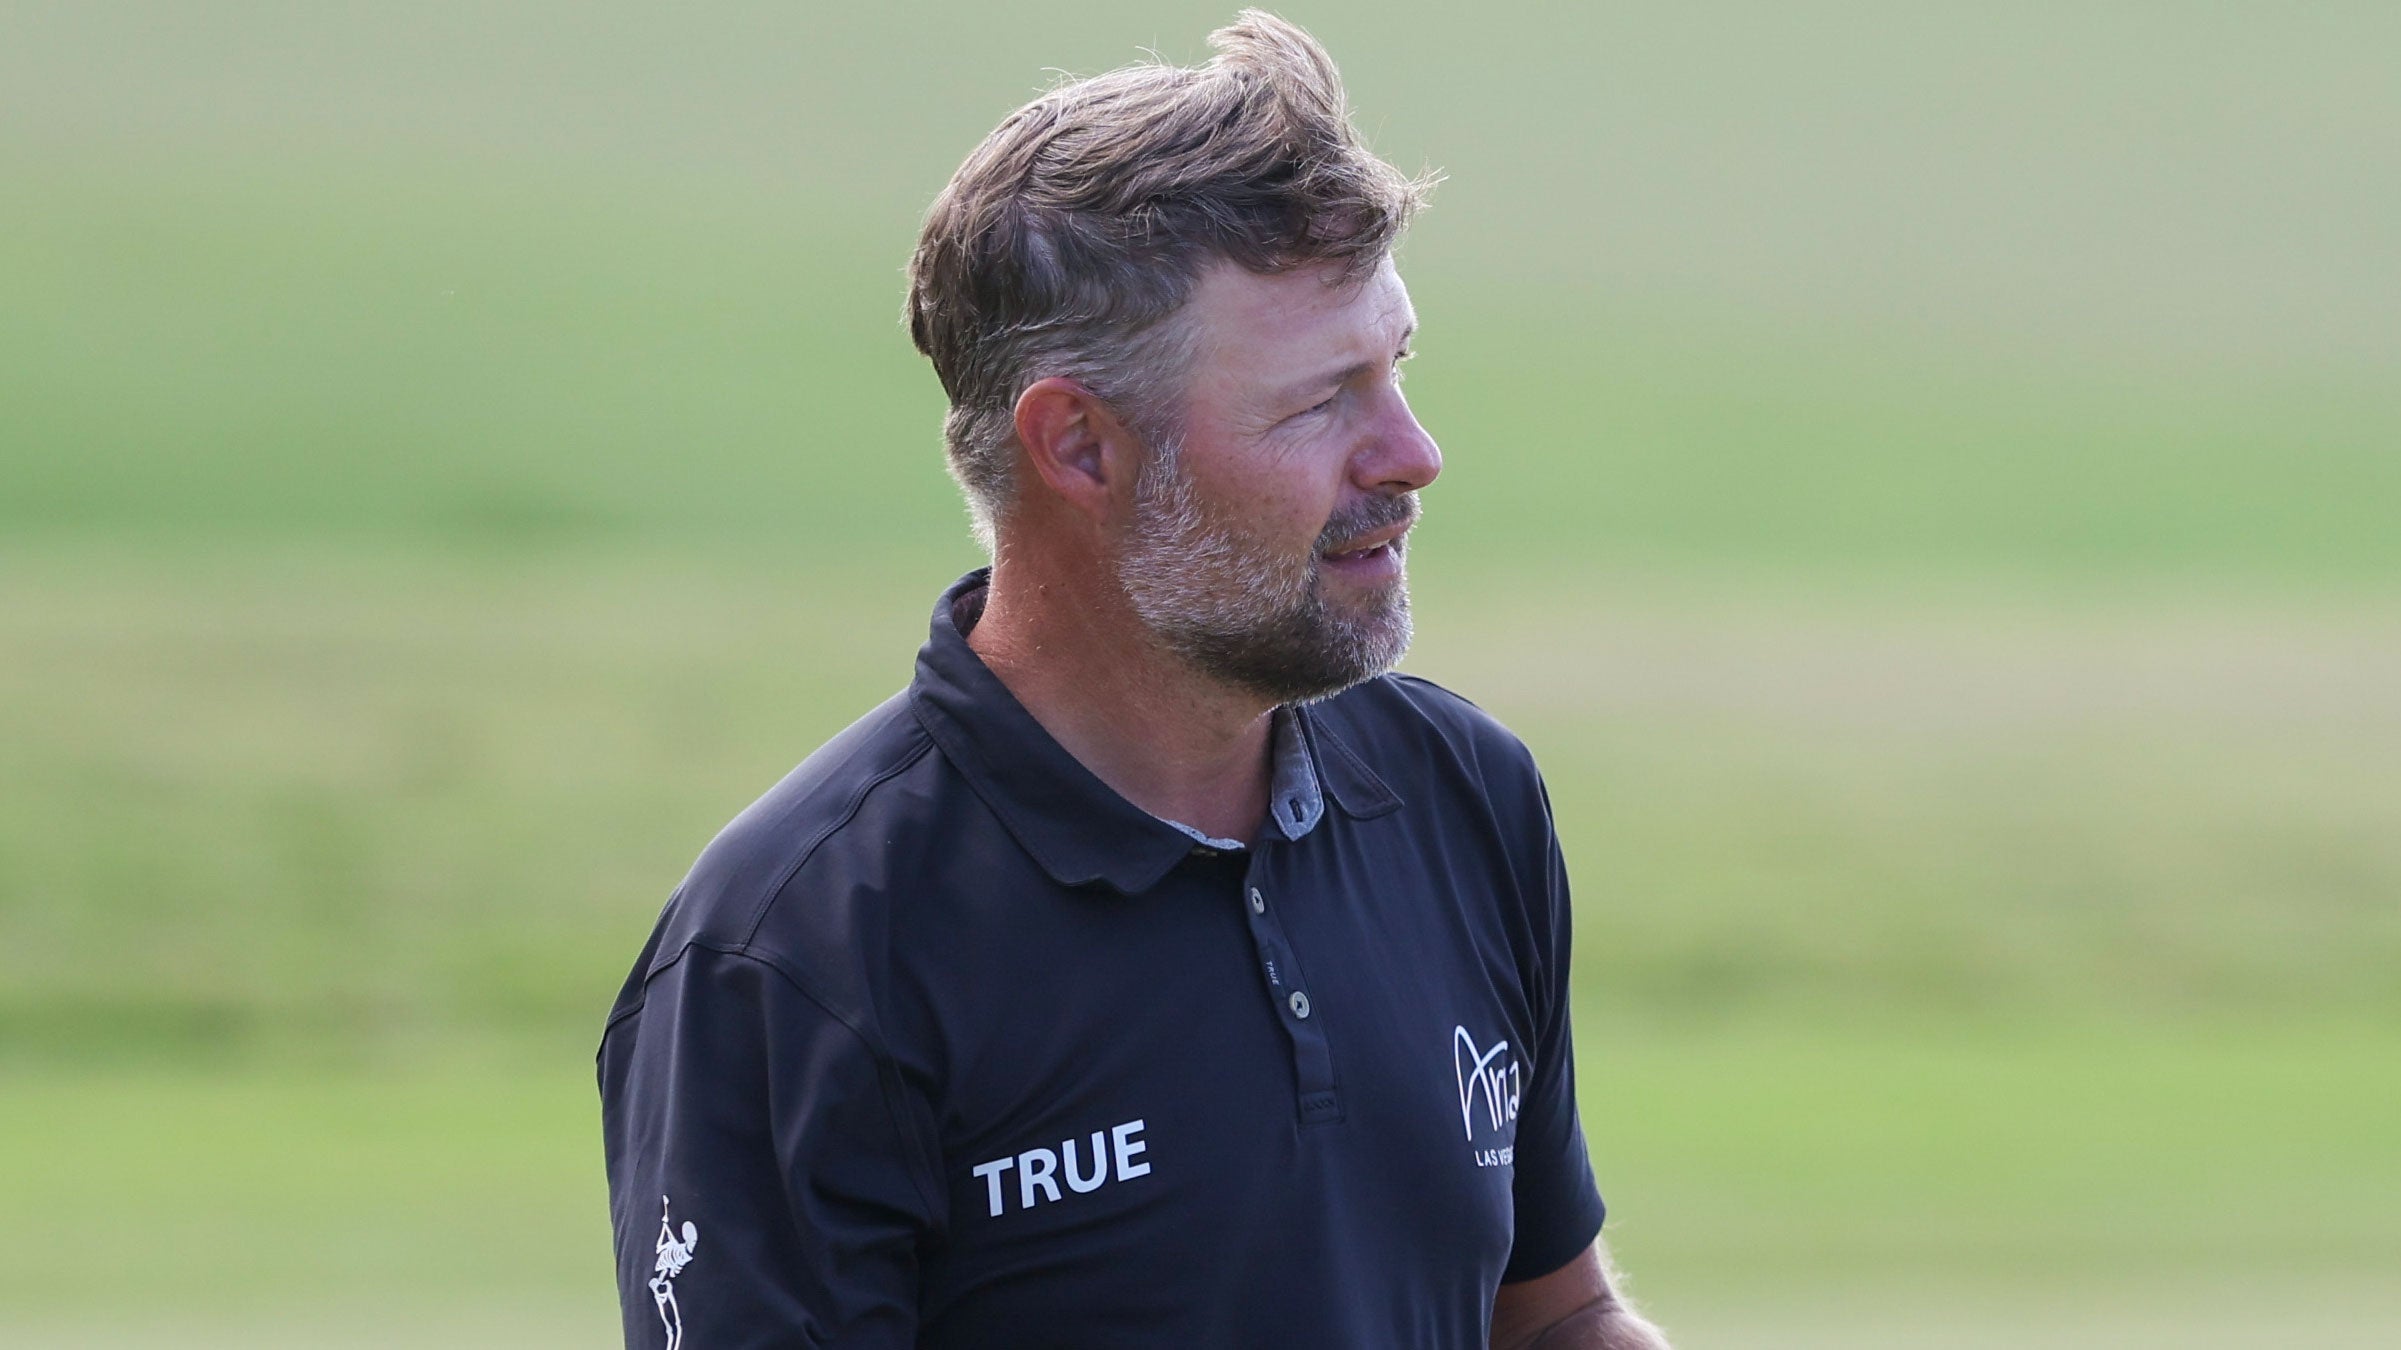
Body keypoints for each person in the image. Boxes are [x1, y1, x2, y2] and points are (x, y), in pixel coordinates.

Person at [599, 11, 1672, 1347]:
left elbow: (1551, 1314)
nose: (1411, 452)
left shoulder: (1460, 795)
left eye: (1394, 367)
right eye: (1316, 400)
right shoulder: (799, 954)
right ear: (1080, 447)